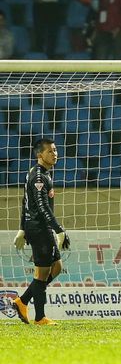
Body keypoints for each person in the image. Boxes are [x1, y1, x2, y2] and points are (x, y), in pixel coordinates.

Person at [11, 138, 70, 326]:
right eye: (50, 151)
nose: (55, 154)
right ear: (40, 155)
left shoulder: (41, 173)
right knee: (42, 273)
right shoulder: (38, 177)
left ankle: (23, 300)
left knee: (57, 267)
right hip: (39, 228)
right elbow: (42, 206)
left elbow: (25, 202)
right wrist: (59, 230)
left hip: (37, 226)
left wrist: (21, 228)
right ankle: (40, 317)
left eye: (55, 150)